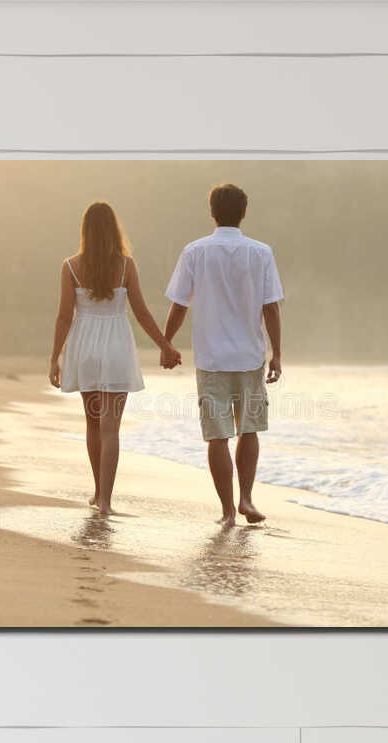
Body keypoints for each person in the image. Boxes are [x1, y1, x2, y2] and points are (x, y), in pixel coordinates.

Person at [163, 182, 284, 528]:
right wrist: (277, 354)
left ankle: (228, 510)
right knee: (249, 430)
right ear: (244, 212)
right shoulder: (261, 252)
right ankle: (246, 497)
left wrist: (166, 343)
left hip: (212, 360)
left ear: (212, 212)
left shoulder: (195, 252)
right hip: (249, 357)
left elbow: (179, 304)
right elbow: (271, 307)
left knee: (217, 436)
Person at [49, 201, 181, 516]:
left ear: (85, 230)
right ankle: (106, 500)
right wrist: (165, 345)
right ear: (114, 229)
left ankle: (97, 493)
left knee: (93, 424)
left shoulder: (70, 266)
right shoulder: (126, 266)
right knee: (111, 428)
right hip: (117, 347)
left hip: (85, 349)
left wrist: (55, 357)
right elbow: (142, 313)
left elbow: (64, 317)